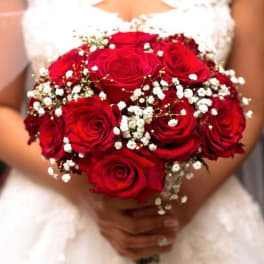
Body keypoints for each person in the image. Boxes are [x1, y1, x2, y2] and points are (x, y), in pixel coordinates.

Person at [0, 0, 263, 263]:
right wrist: (81, 191)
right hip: (53, 205)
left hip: (199, 200)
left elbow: (251, 105)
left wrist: (179, 208)